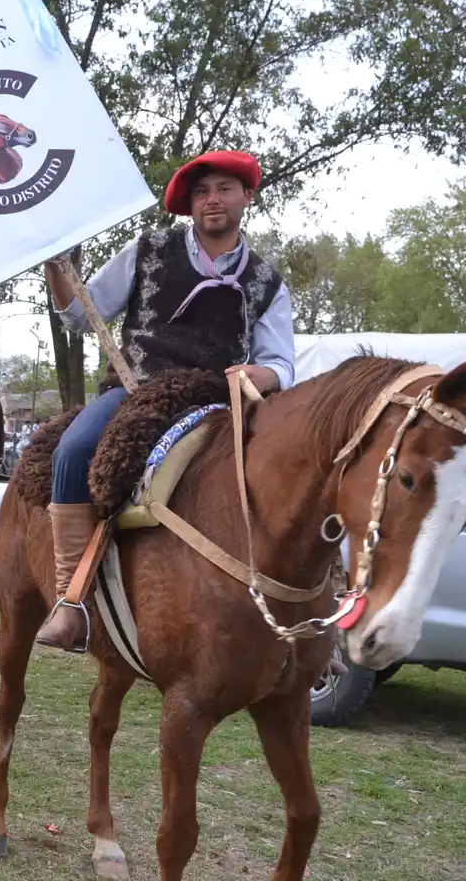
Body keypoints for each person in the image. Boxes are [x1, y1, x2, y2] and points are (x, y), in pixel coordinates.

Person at [34, 150, 294, 652]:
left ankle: (311, 610)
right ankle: (71, 601)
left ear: (247, 197)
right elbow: (78, 316)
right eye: (201, 192)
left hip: (218, 403)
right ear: (189, 205)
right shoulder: (147, 250)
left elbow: (281, 364)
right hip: (139, 393)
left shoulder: (267, 282)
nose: (212, 200)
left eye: (223, 189)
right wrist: (54, 264)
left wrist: (257, 372)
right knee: (72, 450)